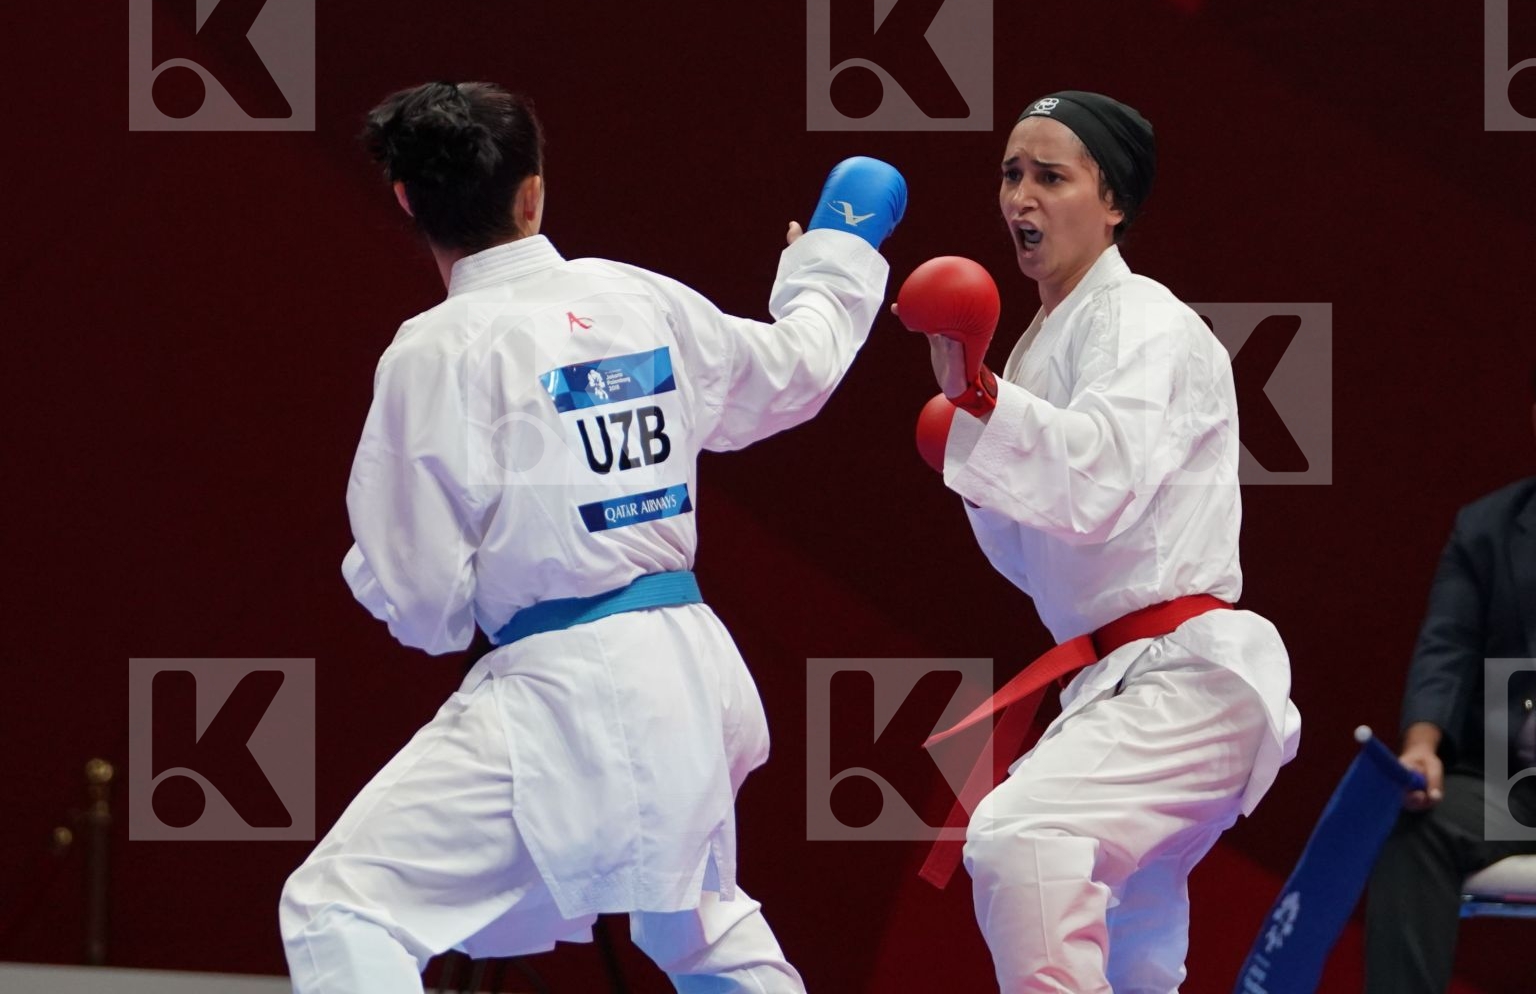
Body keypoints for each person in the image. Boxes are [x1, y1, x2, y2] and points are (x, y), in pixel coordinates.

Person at [279, 80, 905, 993]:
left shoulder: (436, 348)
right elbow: (794, 370)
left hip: (570, 688)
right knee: (696, 927)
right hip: (689, 671)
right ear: (531, 194)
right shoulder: (632, 296)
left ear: (406, 199)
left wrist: (374, 570)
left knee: (339, 908)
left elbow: (429, 611)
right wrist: (839, 251)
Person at [899, 90, 1301, 993]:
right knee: (1132, 957)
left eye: (1051, 176)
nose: (1020, 199)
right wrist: (973, 411)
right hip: (1116, 682)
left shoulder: (1142, 321)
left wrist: (985, 405)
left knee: (1022, 840)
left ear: (1112, 202)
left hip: (1187, 677)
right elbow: (1027, 552)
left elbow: (1099, 483)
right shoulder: (1046, 343)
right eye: (1010, 174)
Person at [1363, 333, 1536, 993]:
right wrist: (1422, 745)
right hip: (1502, 780)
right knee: (1411, 823)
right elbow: (1447, 644)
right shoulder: (1487, 527)